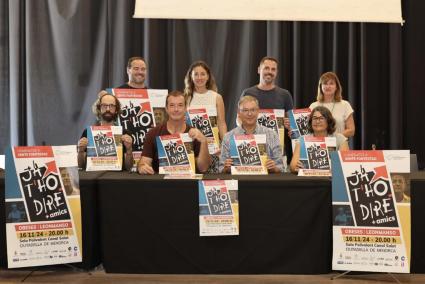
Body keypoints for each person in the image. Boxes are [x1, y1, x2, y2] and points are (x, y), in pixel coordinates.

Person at [137, 91, 211, 174]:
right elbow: (144, 162)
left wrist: (204, 141)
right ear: (166, 109)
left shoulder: (196, 134)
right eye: (172, 105)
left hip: (188, 184)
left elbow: (203, 168)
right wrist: (142, 167)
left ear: (185, 108)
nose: (176, 109)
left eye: (180, 105)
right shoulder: (153, 133)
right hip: (160, 184)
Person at [219, 96, 284, 174]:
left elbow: (280, 167)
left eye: (253, 110)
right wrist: (226, 168)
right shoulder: (228, 137)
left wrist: (274, 168)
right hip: (239, 183)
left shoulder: (272, 134)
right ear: (239, 113)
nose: (249, 114)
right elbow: (221, 169)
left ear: (258, 111)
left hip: (265, 183)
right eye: (245, 110)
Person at [78, 93, 134, 171]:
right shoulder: (88, 132)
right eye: (104, 105)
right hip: (93, 178)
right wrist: (80, 151)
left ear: (116, 110)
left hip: (118, 179)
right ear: (99, 108)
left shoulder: (125, 133)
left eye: (111, 106)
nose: (108, 109)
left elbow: (129, 167)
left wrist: (129, 150)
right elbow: (81, 166)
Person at [290, 106, 349, 173]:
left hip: (331, 181)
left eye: (321, 118)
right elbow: (292, 167)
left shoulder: (340, 139)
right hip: (308, 180)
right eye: (314, 118)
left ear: (329, 121)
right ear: (310, 121)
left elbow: (344, 165)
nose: (317, 121)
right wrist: (298, 167)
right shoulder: (302, 140)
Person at [184, 60, 227, 140]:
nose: (199, 77)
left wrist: (225, 145)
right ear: (191, 76)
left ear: (208, 76)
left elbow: (221, 123)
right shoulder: (185, 98)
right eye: (196, 74)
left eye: (203, 74)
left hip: (213, 144)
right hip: (192, 143)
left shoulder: (217, 98)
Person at [309, 72, 355, 138]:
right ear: (320, 87)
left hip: (340, 146)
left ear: (336, 87)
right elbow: (307, 130)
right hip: (317, 146)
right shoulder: (313, 106)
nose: (328, 86)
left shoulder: (345, 105)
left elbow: (351, 130)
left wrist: (333, 139)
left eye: (331, 83)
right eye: (325, 83)